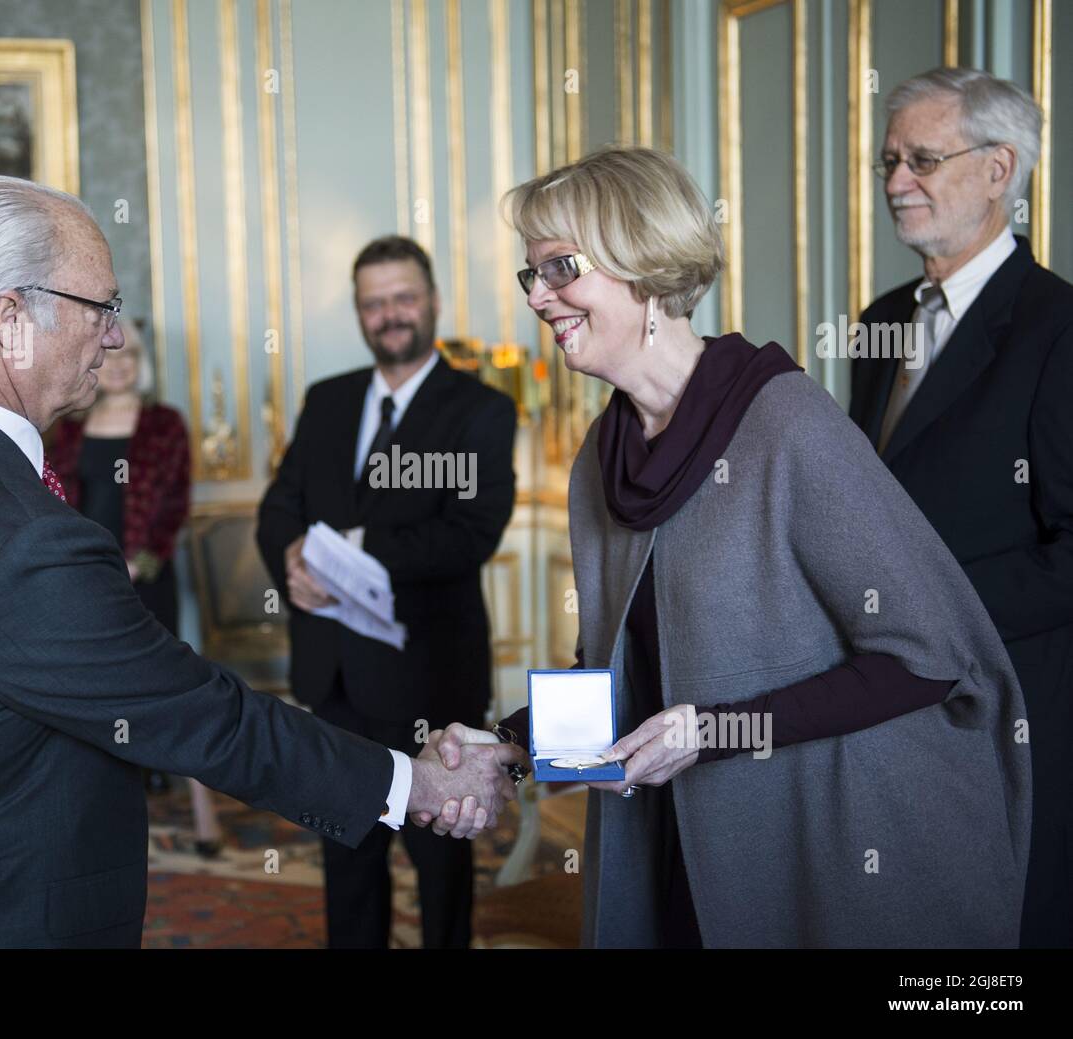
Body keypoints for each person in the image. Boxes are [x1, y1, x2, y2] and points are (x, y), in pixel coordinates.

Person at [0, 175, 523, 948]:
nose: (116, 338)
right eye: (101, 309)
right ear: (10, 317)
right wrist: (413, 781)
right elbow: (206, 717)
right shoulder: (26, 541)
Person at [422, 146, 1029, 948]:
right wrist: (505, 743)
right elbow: (620, 683)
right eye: (529, 275)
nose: (539, 296)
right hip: (680, 846)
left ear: (642, 263)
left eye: (560, 268)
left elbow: (928, 654)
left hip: (828, 844)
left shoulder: (785, 424)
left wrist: (716, 729)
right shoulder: (600, 458)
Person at [848, 67, 1073, 948]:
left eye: (924, 160)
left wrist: (934, 612)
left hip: (1012, 713)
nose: (898, 181)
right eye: (890, 160)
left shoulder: (1058, 328)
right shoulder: (878, 320)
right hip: (888, 709)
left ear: (999, 170)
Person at [256, 235, 517, 948]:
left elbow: (471, 533)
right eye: (374, 303)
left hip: (429, 680)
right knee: (347, 857)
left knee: (441, 862)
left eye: (403, 298)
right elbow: (280, 504)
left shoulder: (481, 410)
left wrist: (356, 550)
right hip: (332, 677)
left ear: (431, 300)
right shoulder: (327, 399)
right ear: (359, 312)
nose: (390, 315)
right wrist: (292, 560)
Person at [47, 319, 223, 850]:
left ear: (140, 361)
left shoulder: (164, 424)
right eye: (110, 354)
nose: (120, 363)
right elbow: (53, 501)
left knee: (167, 689)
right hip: (81, 579)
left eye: (130, 355)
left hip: (145, 579)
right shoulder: (70, 425)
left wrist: (135, 564)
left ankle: (204, 812)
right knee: (86, 691)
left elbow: (175, 506)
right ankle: (91, 822)